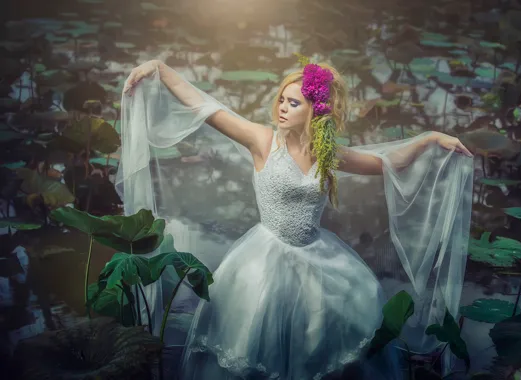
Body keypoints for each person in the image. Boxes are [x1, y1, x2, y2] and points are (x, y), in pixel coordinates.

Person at [119, 58, 474, 380]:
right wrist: (161, 70)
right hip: (264, 259)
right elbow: (206, 107)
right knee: (256, 344)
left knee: (316, 346)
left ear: (315, 111)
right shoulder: (262, 141)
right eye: (282, 100)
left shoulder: (327, 154)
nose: (282, 109)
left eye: (294, 103)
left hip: (318, 259)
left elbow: (387, 164)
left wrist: (430, 138)